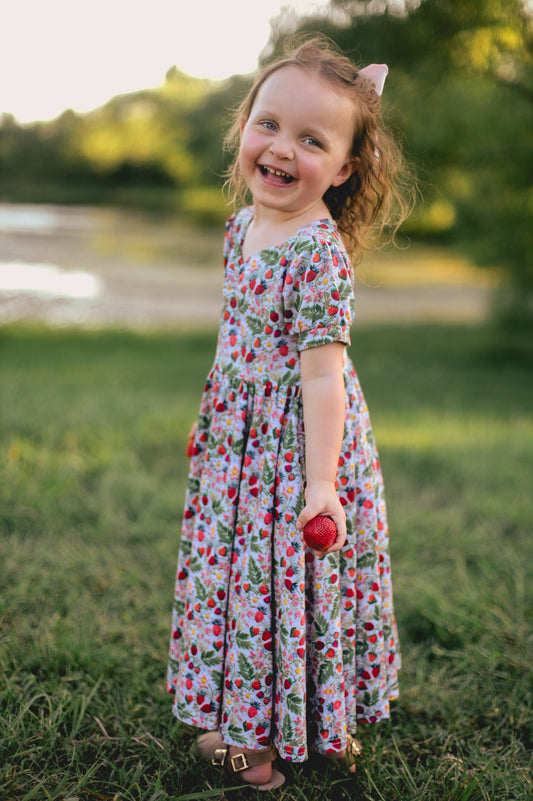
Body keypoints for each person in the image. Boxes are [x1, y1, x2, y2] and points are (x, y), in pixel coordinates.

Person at [167, 35, 412, 791]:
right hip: (239, 444)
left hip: (296, 450)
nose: (280, 148)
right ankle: (277, 723)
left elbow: (322, 377)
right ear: (243, 125)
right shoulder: (241, 228)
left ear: (342, 170)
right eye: (268, 124)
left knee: (282, 583)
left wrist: (321, 484)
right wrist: (214, 416)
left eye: (311, 140)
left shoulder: (317, 253)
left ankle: (258, 754)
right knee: (240, 581)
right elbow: (235, 337)